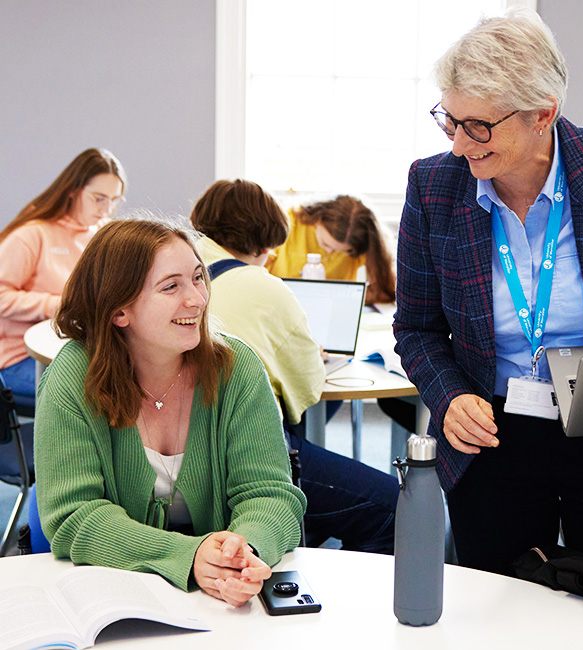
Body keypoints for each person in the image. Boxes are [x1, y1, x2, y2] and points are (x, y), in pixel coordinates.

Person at [393, 8, 583, 575]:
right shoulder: (433, 186)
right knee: (497, 600)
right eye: (451, 121)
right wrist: (449, 395)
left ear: (544, 114)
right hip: (492, 428)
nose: (460, 145)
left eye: (479, 126)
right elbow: (417, 328)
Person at [34, 219, 306, 606]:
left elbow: (271, 495)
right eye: (171, 286)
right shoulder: (73, 377)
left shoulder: (237, 367)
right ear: (119, 312)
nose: (197, 298)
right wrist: (188, 556)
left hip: (220, 600)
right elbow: (74, 516)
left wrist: (243, 552)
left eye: (198, 278)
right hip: (114, 596)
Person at [190, 179, 397, 554]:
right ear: (267, 245)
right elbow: (307, 389)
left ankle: (307, 531)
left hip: (173, 450)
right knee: (394, 508)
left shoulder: (172, 268)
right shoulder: (264, 287)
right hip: (241, 453)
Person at [0, 148, 125, 407]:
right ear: (73, 191)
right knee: (97, 394)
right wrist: (59, 305)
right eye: (99, 198)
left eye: (114, 200)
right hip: (20, 356)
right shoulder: (32, 235)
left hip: (75, 348)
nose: (107, 209)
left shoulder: (100, 235)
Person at [265, 195, 396, 305]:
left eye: (343, 251)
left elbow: (384, 290)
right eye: (326, 244)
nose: (330, 252)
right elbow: (256, 273)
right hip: (281, 305)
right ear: (318, 219)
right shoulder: (289, 222)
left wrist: (347, 297)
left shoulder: (361, 241)